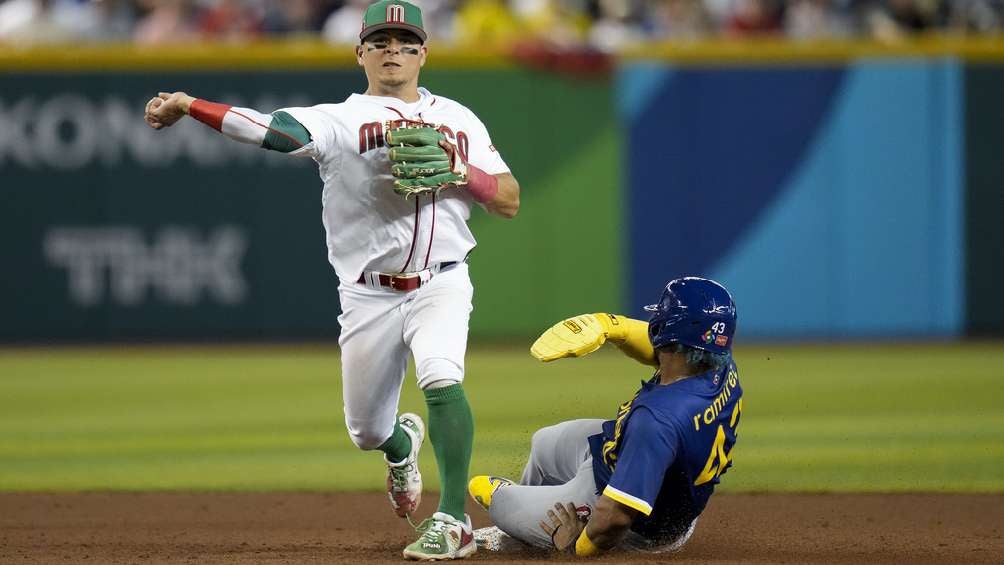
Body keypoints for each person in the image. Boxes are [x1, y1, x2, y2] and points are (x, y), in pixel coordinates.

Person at [143, 1, 520, 561]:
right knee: (367, 431)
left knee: (442, 376)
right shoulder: (339, 119)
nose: (394, 51)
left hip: (442, 280)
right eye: (381, 42)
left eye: (406, 41)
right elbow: (270, 130)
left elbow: (509, 200)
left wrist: (465, 173)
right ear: (360, 52)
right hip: (368, 292)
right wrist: (190, 105)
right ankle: (401, 443)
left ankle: (453, 518)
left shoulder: (459, 119)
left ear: (424, 52)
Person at [468, 277, 742, 556]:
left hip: (633, 522)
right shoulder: (716, 362)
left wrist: (578, 546)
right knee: (544, 443)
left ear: (667, 331)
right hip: (638, 472)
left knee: (498, 499)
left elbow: (617, 517)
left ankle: (535, 534)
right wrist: (610, 325)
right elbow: (660, 348)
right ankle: (528, 530)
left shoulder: (657, 419)